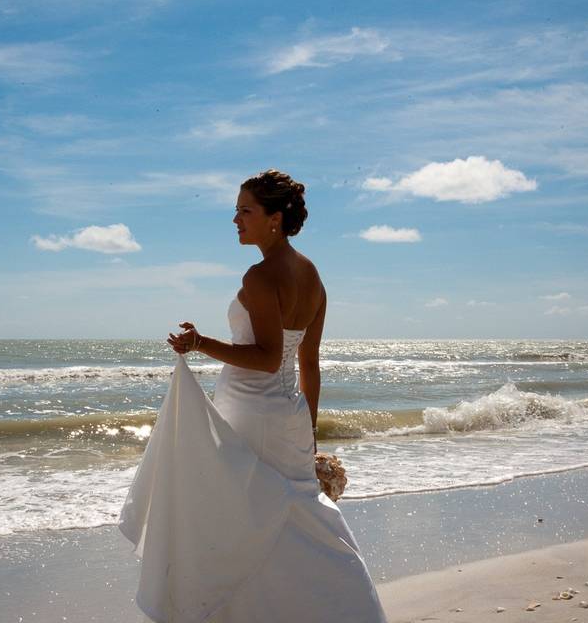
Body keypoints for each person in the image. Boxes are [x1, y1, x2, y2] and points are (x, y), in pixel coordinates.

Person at [119, 169, 387, 623]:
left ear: (274, 219)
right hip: (289, 414)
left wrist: (201, 343)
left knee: (243, 519)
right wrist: (309, 430)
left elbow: (265, 357)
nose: (236, 219)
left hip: (253, 413)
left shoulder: (261, 276)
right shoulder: (312, 275)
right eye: (236, 210)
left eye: (246, 210)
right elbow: (309, 364)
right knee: (297, 517)